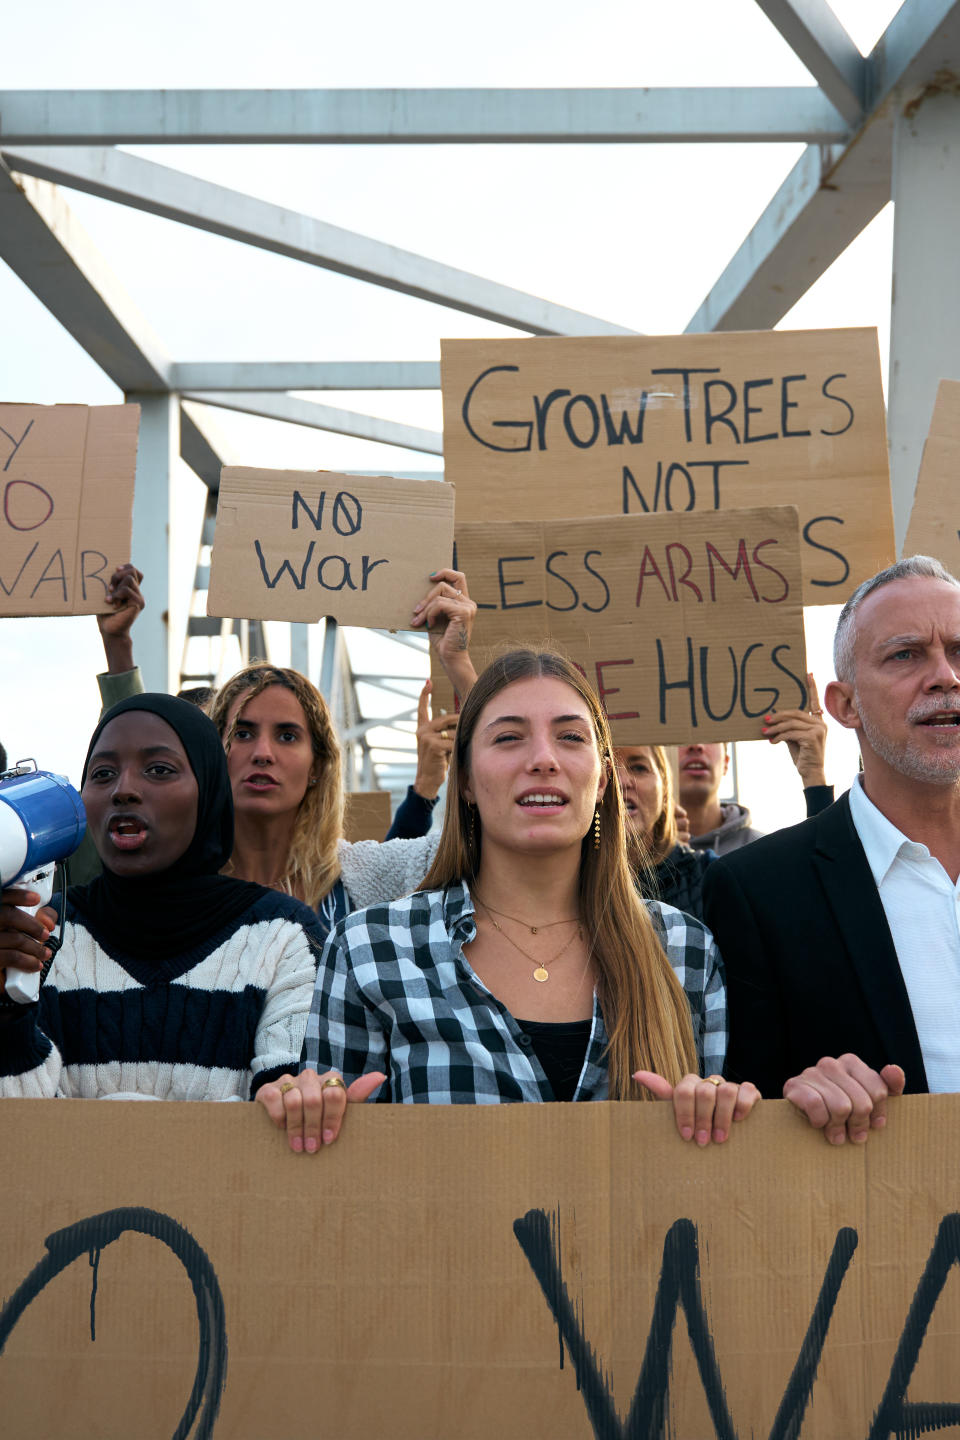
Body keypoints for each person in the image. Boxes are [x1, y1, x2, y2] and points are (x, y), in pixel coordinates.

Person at [258, 650, 760, 1150]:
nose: (543, 759)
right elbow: (336, 1183)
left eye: (570, 736)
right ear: (468, 780)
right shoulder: (371, 948)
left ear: (602, 778)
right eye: (508, 737)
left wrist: (720, 1111)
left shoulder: (683, 950)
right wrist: (308, 1112)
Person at [703, 556, 960, 1144]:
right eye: (906, 655)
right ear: (844, 706)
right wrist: (796, 1097)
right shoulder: (760, 892)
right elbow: (742, 1114)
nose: (945, 676)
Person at [0, 694, 323, 1101]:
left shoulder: (284, 937)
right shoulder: (40, 935)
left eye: (158, 769)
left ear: (208, 792)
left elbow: (291, 1104)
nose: (124, 790)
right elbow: (20, 1137)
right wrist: (8, 1012)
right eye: (102, 774)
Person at [680, 675, 834, 854]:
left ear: (726, 763)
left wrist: (814, 774)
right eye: (683, 737)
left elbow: (828, 873)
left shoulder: (766, 855)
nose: (697, 746)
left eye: (709, 736)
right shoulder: (641, 856)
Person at [616, 744, 714, 920]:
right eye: (607, 766)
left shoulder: (712, 878)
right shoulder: (562, 883)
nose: (621, 781)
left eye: (639, 768)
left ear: (665, 789)